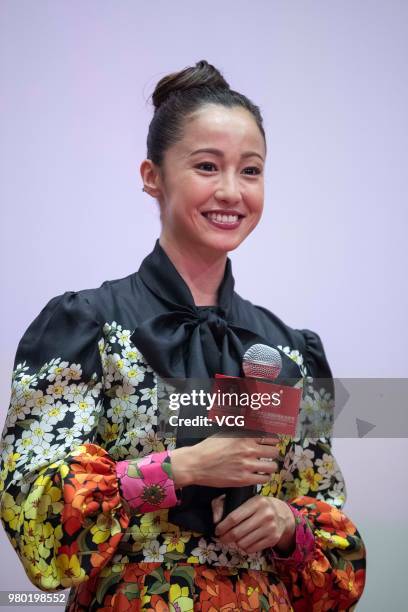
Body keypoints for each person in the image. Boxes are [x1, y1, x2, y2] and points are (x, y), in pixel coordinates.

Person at [0, 60, 366, 611]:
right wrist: (181, 469)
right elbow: (35, 515)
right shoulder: (88, 326)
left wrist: (288, 523)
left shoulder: (290, 350)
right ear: (153, 175)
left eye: (250, 170)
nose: (230, 191)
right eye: (206, 166)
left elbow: (331, 532)